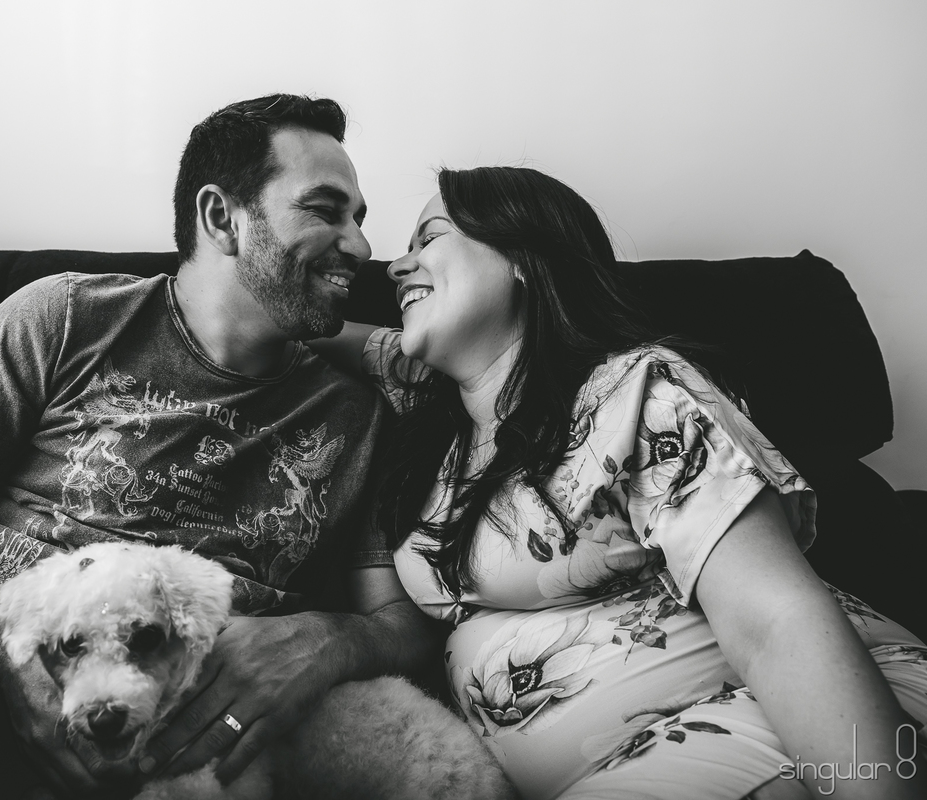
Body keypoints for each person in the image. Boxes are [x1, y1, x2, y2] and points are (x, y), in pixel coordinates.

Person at [0, 94, 438, 799]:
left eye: (358, 217)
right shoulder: (69, 318)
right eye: (325, 210)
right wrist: (8, 655)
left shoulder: (356, 412)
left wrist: (328, 638)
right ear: (222, 218)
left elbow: (402, 624)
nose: (360, 246)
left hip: (174, 739)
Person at [313, 166, 927, 799]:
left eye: (430, 238)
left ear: (521, 256)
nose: (397, 266)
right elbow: (299, 330)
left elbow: (773, 625)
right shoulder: (429, 409)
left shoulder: (639, 393)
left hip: (779, 719)